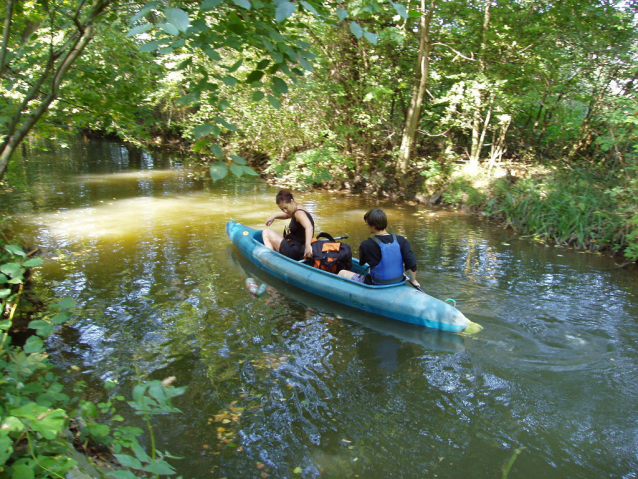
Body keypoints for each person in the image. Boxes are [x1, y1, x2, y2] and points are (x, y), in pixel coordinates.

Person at [338, 208, 420, 288]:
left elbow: (362, 263)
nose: (367, 226)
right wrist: (413, 280)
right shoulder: (401, 240)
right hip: (399, 281)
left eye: (367, 224)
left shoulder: (366, 244)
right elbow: (412, 263)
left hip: (377, 284)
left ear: (373, 226)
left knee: (342, 272)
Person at [263, 189, 315, 260]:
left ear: (292, 201)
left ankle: (269, 259)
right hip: (298, 247)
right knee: (277, 234)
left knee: (266, 232)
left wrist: (308, 245)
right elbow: (287, 215)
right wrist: (274, 216)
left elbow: (309, 227)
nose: (285, 211)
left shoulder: (298, 213)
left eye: (285, 208)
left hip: (295, 252)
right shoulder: (299, 208)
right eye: (282, 209)